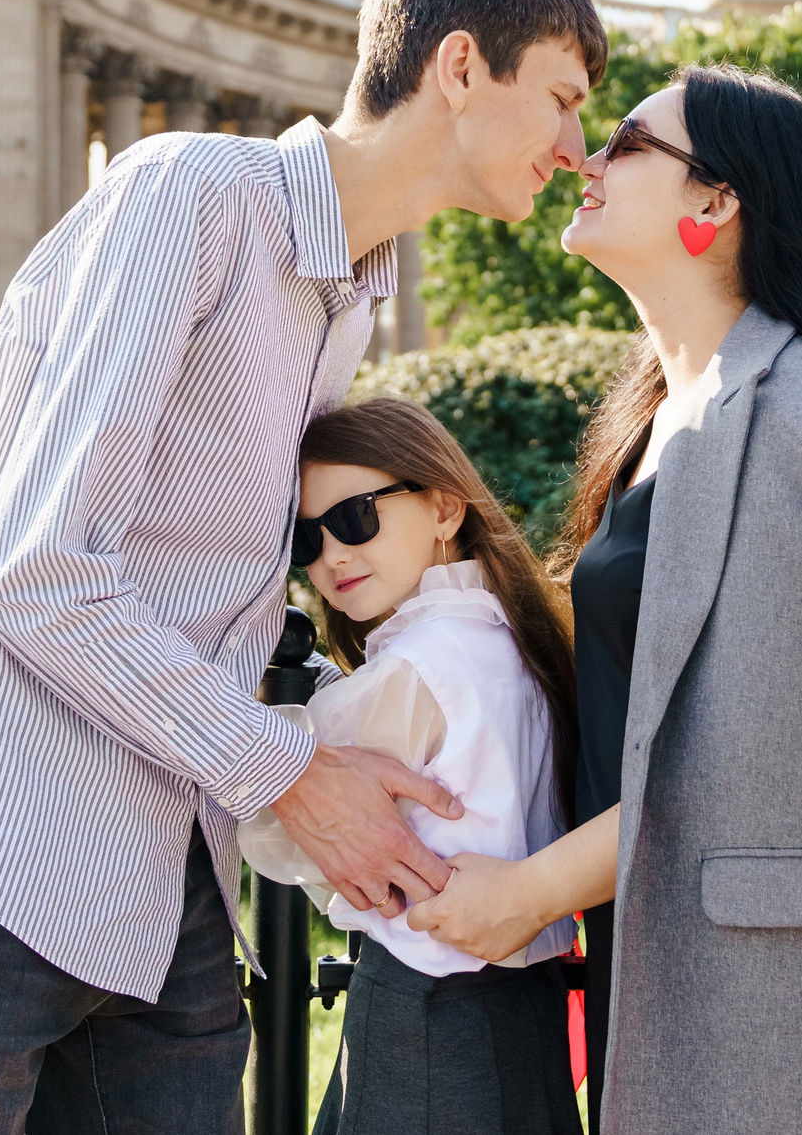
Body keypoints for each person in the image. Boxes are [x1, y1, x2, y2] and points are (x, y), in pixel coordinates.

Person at [0, 0, 608, 1134]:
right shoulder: (190, 195)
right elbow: (35, 566)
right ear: (460, 66)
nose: (574, 146)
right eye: (560, 96)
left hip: (167, 875)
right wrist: (293, 771)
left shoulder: (355, 291)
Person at [406, 64, 802, 1135]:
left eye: (626, 142)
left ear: (716, 199)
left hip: (793, 1017)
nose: (583, 159)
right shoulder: (649, 423)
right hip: (646, 971)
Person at [242, 397, 581, 1135]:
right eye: (306, 537)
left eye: (357, 516)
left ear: (445, 507)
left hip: (425, 1004)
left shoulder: (417, 667)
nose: (332, 553)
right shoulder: (515, 642)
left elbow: (277, 826)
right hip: (529, 1004)